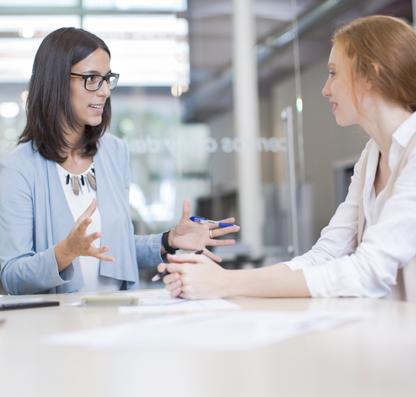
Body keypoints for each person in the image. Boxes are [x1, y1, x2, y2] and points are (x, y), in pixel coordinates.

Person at [158, 15, 416, 306]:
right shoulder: (373, 154)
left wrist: (226, 282)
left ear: (371, 76)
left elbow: (369, 271)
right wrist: (216, 280)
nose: (326, 90)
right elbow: (325, 255)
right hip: (401, 336)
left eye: (333, 73)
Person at [0, 27, 239, 295]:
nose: (104, 92)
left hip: (116, 319)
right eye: (91, 78)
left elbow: (117, 249)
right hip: (56, 327)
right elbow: (11, 276)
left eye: (106, 79)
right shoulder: (19, 168)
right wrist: (63, 253)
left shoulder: (113, 152)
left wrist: (168, 240)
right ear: (55, 81)